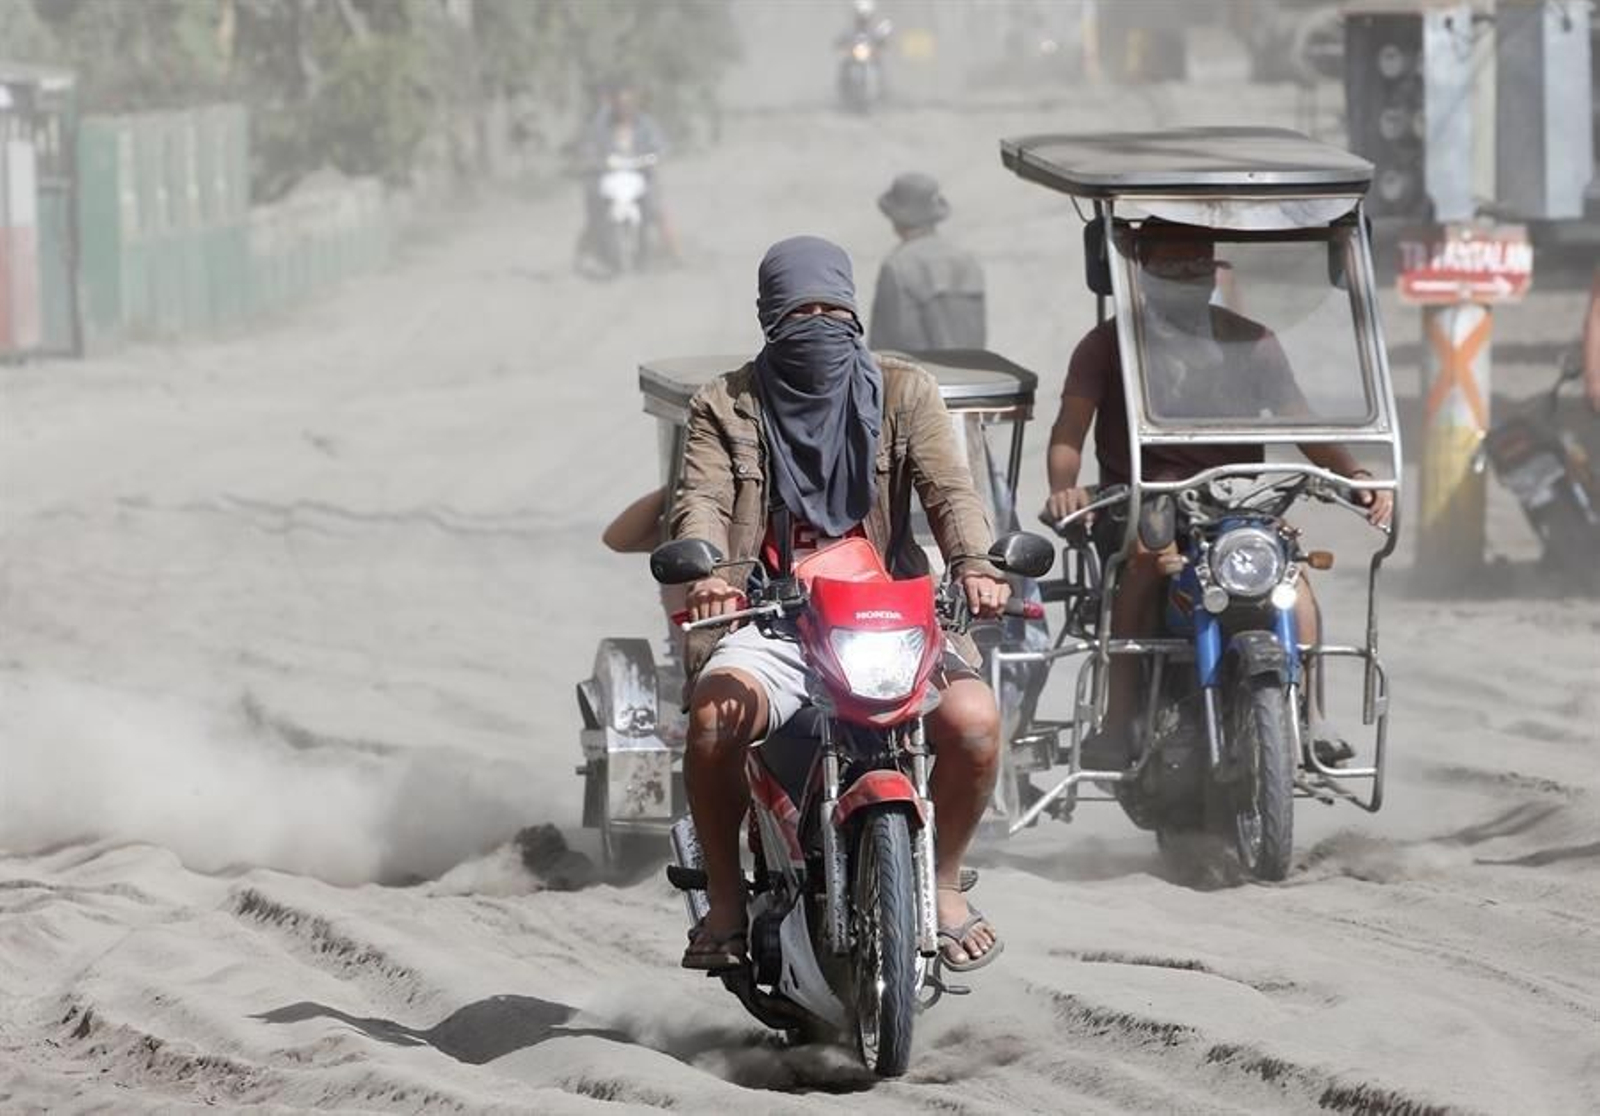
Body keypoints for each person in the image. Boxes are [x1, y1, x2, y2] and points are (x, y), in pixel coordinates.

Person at [672, 235, 1009, 972]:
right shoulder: (724, 405)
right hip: (773, 618)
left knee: (976, 722)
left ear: (855, 312)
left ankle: (945, 886)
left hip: (888, 615)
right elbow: (701, 500)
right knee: (712, 719)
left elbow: (950, 491)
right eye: (800, 311)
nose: (818, 323)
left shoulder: (904, 391)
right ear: (769, 318)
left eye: (833, 308)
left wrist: (974, 565)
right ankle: (726, 904)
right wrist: (710, 574)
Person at [1042, 220, 1393, 766]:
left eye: (1198, 267)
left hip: (1236, 506)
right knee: (1144, 567)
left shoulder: (1251, 340)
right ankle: (1118, 721)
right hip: (1144, 501)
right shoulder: (1108, 344)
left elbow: (1302, 424)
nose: (1187, 279)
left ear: (1213, 273)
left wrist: (1355, 475)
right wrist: (1064, 489)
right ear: (1142, 271)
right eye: (1173, 268)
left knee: (1292, 582)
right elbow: (1070, 427)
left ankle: (1311, 720)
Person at [868, 172, 987, 353]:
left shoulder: (896, 266)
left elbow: (883, 344)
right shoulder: (967, 260)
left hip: (916, 377)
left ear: (896, 219)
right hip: (971, 376)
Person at [577, 82, 682, 266]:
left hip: (641, 177)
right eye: (621, 104)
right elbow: (589, 147)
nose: (625, 108)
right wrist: (594, 160)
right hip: (609, 177)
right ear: (614, 104)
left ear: (635, 104)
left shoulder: (645, 124)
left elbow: (661, 147)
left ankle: (675, 253)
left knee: (657, 210)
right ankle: (584, 254)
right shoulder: (602, 125)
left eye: (629, 104)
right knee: (596, 212)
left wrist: (654, 157)